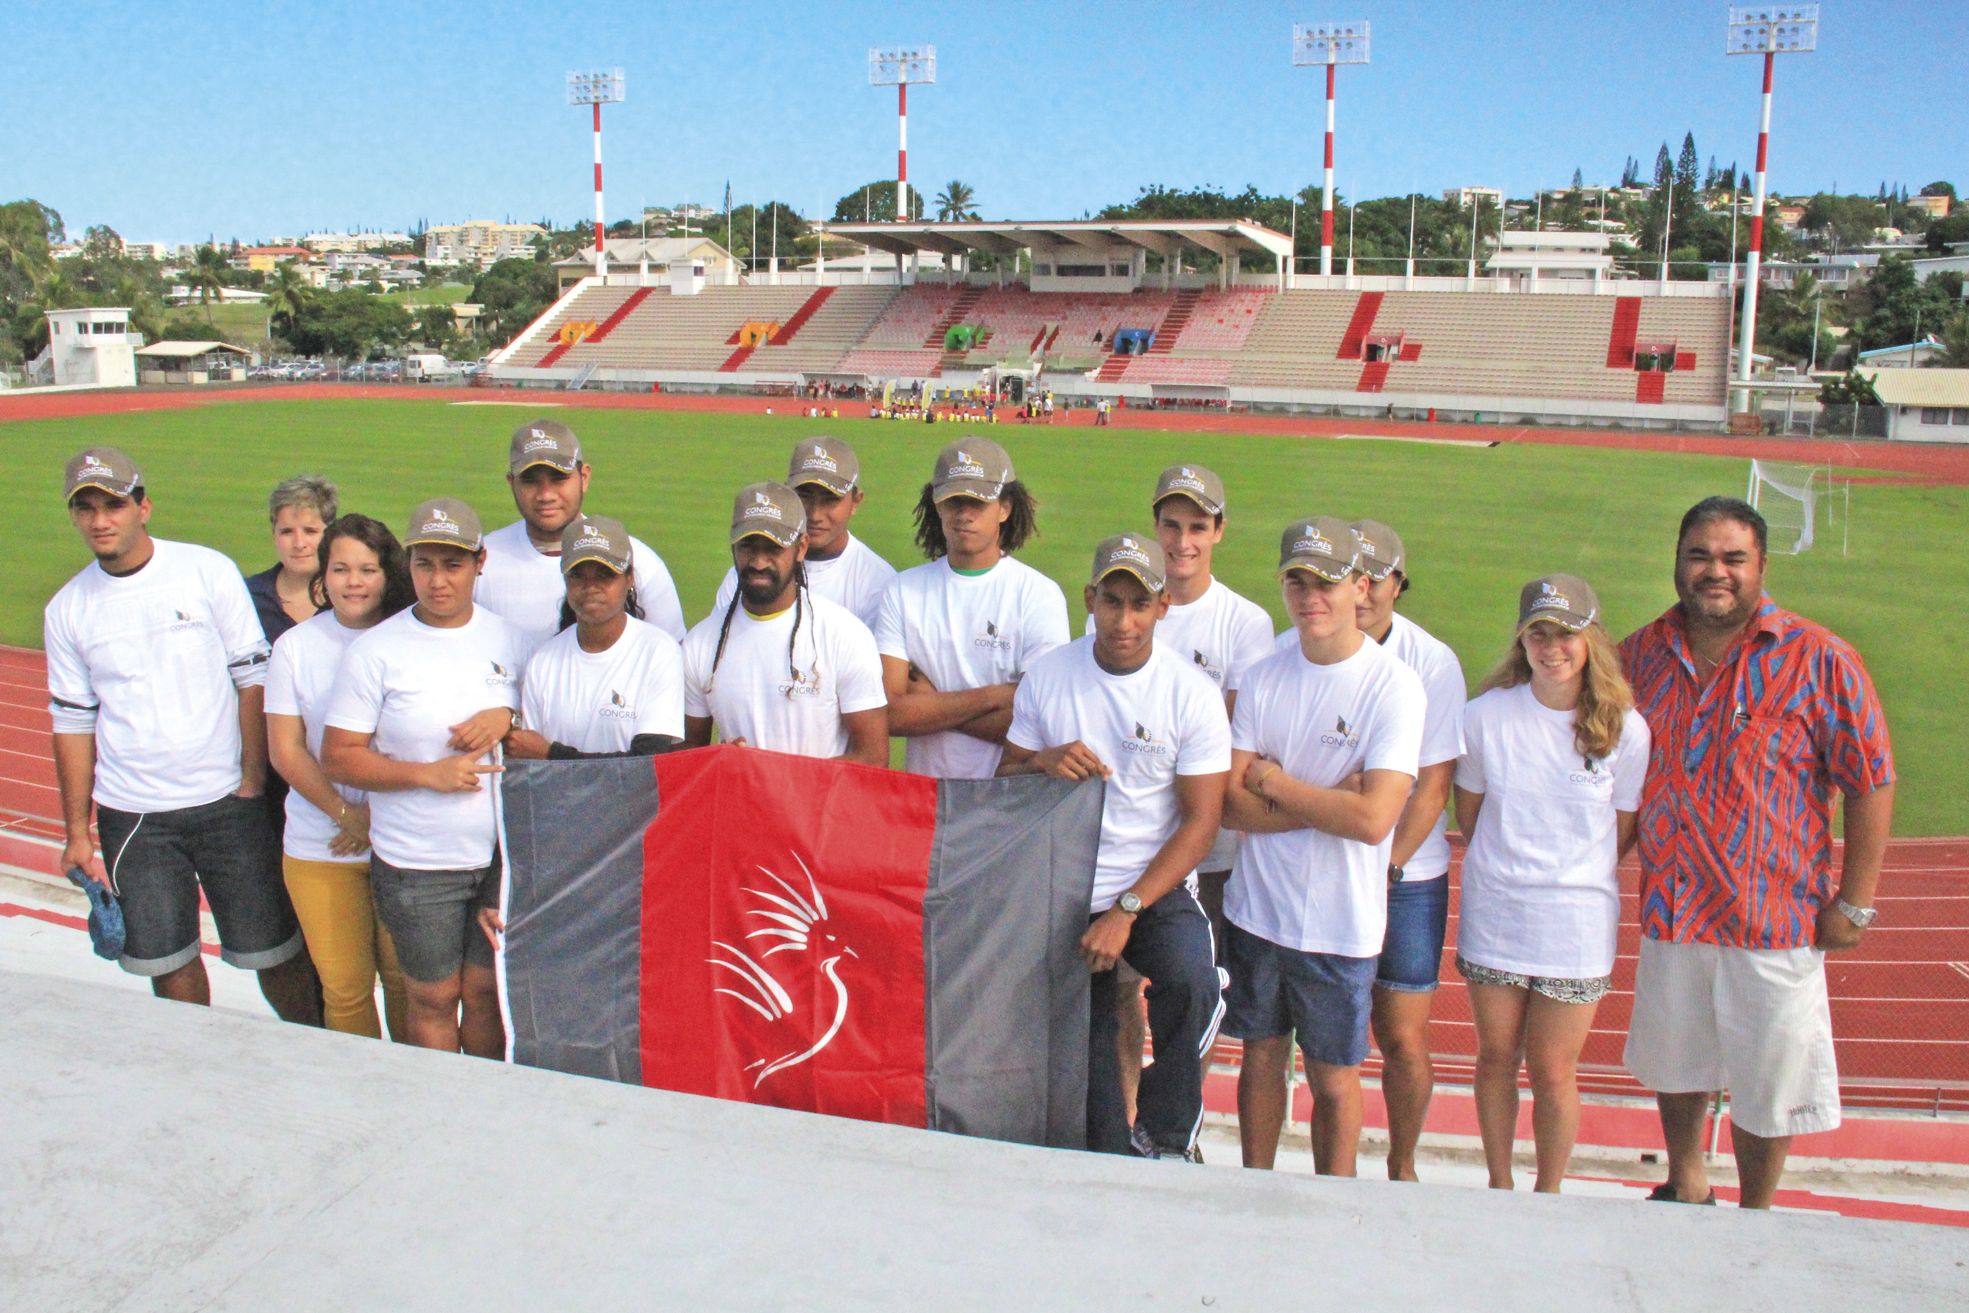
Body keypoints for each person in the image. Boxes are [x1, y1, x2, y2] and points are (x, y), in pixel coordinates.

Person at [1619, 497, 1894, 1209]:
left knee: (1768, 1079)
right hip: (1672, 907)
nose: (1715, 571)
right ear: (1676, 561)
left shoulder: (1819, 658)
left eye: (1732, 558)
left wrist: (1854, 901)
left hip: (1771, 916)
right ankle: (1685, 1182)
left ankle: (1756, 1208)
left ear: (1759, 566)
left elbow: (1871, 778)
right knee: (1675, 1062)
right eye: (1699, 555)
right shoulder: (1638, 654)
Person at [45, 447, 317, 1021]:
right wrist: (77, 830)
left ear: (143, 507)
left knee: (275, 952)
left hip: (227, 803)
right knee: (168, 964)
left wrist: (250, 776)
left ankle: (312, 1048)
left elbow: (253, 678)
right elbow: (73, 719)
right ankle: (193, 1065)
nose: (100, 520)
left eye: (113, 504)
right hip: (134, 815)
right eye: (86, 508)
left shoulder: (204, 570)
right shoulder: (67, 609)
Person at [1001, 535, 1231, 1160]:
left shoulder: (1189, 693)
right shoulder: (1051, 676)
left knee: (1192, 984)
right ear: (1090, 599)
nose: (1123, 621)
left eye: (1138, 604)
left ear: (1162, 608)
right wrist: (1044, 762)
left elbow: (1200, 824)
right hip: (1064, 884)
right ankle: (1106, 1143)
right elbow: (1004, 780)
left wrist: (1126, 910)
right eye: (1111, 602)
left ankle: (1167, 1134)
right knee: (1091, 1056)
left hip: (1149, 887)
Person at [1218, 516, 1423, 1177]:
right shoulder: (1264, 674)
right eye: (1296, 581)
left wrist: (1275, 782)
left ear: (1360, 586)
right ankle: (1255, 1184)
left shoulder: (1393, 686)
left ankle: (1335, 1203)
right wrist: (1326, 799)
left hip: (1341, 921)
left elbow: (1372, 820)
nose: (1310, 596)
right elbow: (1228, 802)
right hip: (1259, 909)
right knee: (1260, 1058)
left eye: (1325, 582)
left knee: (1334, 1078)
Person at [1455, 574, 1648, 1192]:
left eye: (1566, 633)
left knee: (1553, 1070)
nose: (1552, 647)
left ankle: (1549, 1192)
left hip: (1576, 923)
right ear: (1521, 640)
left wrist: (1568, 874)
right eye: (1539, 633)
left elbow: (1621, 830)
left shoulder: (1625, 728)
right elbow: (1471, 814)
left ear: (1590, 639)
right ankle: (1500, 1184)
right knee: (1495, 1059)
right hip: (1498, 914)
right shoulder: (1486, 717)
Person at [1094, 465, 1274, 1121]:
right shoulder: (1124, 601)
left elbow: (1225, 741)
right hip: (1122, 847)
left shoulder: (1244, 624)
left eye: (1197, 526)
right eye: (1171, 525)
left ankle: (1174, 1118)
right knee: (1116, 990)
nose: (1182, 541)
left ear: (1218, 531)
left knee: (1193, 996)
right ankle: (1123, 1115)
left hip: (1208, 852)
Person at [321, 498, 524, 1056]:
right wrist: (425, 775)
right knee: (433, 998)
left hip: (497, 857)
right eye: (425, 564)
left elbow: (537, 732)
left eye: (452, 564)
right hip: (416, 863)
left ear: (479, 562)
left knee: (486, 994)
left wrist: (507, 716)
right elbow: (339, 756)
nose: (438, 581)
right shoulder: (376, 652)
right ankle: (439, 1110)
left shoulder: (512, 641)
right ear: (407, 565)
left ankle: (479, 1107)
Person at [1349, 519, 1467, 1183]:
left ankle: (1401, 1163)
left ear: (1399, 584)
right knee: (1325, 1033)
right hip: (1329, 862)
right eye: (1351, 575)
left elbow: (1433, 787)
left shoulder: (1430, 662)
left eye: (1377, 578)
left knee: (1400, 1034)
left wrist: (1386, 865)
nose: (1361, 591)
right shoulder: (1304, 646)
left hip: (1406, 873)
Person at [265, 513, 413, 1040]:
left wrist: (377, 819)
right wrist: (347, 815)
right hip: (319, 844)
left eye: (368, 569)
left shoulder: (412, 637)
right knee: (346, 991)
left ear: (388, 573)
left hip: (401, 842)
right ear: (322, 576)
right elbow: (286, 750)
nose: (354, 582)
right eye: (341, 569)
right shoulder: (296, 648)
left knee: (406, 984)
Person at [875, 439, 1069, 779]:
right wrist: (997, 696)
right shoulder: (902, 590)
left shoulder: (1039, 595)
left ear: (1005, 507)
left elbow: (1040, 727)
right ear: (937, 505)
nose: (964, 514)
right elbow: (890, 714)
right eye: (954, 501)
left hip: (1005, 801)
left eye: (977, 502)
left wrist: (933, 703)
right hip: (926, 801)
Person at [681, 482, 888, 764]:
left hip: (820, 808)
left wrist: (777, 778)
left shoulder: (845, 636)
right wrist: (720, 760)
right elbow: (690, 752)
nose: (758, 562)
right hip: (739, 806)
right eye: (748, 547)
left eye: (773, 548)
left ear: (800, 547)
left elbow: (873, 758)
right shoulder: (700, 644)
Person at [476, 418, 685, 656]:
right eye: (530, 480)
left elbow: (671, 655)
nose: (545, 495)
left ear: (584, 477)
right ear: (511, 483)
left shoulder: (638, 562)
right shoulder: (481, 562)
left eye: (559, 478)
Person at [504, 515, 686, 761]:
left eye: (604, 574)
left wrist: (551, 754)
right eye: (578, 575)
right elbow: (531, 765)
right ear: (565, 579)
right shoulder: (544, 661)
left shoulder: (658, 653)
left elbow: (646, 763)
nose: (591, 587)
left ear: (629, 578)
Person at [710, 436, 897, 630]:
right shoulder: (748, 575)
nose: (815, 514)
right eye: (804, 496)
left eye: (830, 500)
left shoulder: (877, 583)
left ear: (855, 502)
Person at [246, 476, 337, 645]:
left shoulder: (351, 597)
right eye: (287, 532)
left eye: (310, 531)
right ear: (274, 535)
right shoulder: (246, 597)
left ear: (331, 534)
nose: (299, 544)